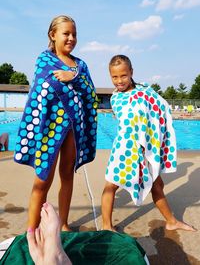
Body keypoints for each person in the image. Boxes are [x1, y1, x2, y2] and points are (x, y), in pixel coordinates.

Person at [14, 15, 98, 231]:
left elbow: (90, 93)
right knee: (42, 180)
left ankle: (64, 223)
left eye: (74, 34)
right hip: (50, 127)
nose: (71, 38)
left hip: (73, 128)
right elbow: (47, 83)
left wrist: (74, 77)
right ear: (53, 35)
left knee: (67, 174)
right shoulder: (44, 59)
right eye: (66, 33)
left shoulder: (81, 65)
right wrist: (70, 80)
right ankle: (31, 230)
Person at [101, 54, 196, 232]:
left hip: (146, 149)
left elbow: (160, 108)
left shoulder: (145, 92)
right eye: (114, 76)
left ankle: (171, 221)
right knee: (111, 185)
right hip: (124, 150)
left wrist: (152, 141)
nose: (119, 80)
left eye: (123, 75)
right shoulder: (115, 98)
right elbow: (128, 123)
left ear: (131, 72)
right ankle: (107, 226)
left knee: (157, 184)